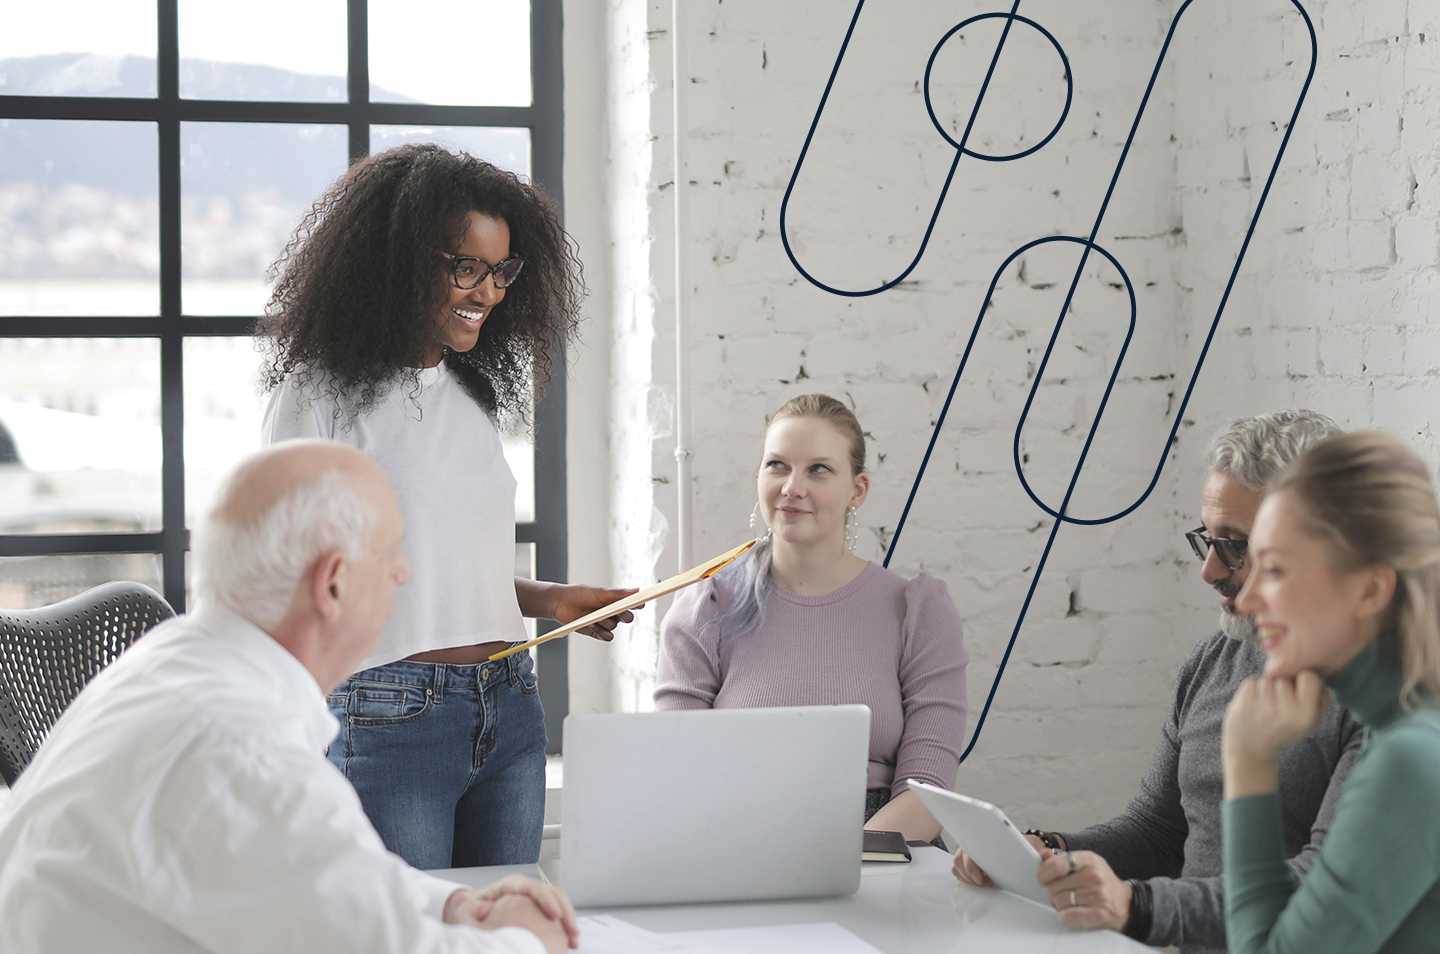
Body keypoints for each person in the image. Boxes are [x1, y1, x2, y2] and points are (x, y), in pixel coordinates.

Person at [0, 441, 578, 954]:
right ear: (333, 583)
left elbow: (326, 880)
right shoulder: (245, 756)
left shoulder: (171, 669)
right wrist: (529, 940)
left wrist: (456, 906)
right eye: (391, 550)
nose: (403, 573)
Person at [259, 143, 634, 869]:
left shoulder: (470, 396)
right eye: (465, 267)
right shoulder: (320, 394)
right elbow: (290, 575)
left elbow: (445, 564)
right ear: (396, 260)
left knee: (505, 937)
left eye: (501, 272)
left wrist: (555, 599)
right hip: (390, 717)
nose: (487, 292)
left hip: (511, 709)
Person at [952, 410, 1364, 953]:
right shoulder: (1214, 660)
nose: (1209, 570)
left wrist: (1135, 906)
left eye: (1235, 545)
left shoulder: (1386, 694)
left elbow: (1329, 889)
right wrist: (1048, 853)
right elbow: (1160, 831)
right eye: (1208, 540)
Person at [654, 393, 969, 843]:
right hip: (737, 840)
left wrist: (835, 863)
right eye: (777, 465)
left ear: (857, 490)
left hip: (887, 846)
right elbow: (677, 775)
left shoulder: (918, 611)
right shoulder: (706, 607)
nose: (792, 487)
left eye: (818, 469)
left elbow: (928, 793)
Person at [1220, 430, 1440, 952]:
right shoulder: (1402, 734)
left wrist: (1247, 764)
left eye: (1273, 569)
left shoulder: (1409, 759)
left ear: (1369, 588)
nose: (1247, 600)